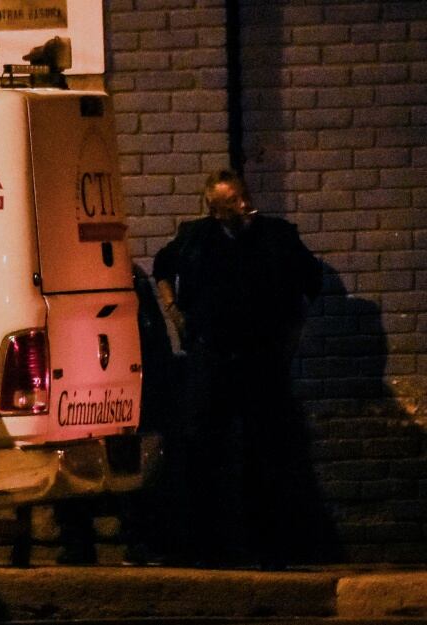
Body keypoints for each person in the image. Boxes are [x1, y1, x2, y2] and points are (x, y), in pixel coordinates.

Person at [152, 170, 321, 569]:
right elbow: (162, 266)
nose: (244, 206)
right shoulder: (195, 237)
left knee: (266, 451)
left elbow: (310, 281)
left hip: (261, 359)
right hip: (210, 359)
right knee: (202, 449)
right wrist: (175, 312)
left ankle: (270, 549)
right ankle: (204, 547)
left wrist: (293, 335)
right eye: (231, 202)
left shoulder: (276, 236)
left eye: (244, 196)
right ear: (214, 210)